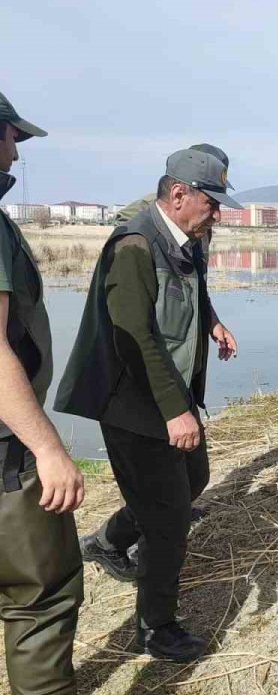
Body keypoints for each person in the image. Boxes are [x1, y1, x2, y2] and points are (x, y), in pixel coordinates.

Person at [0, 89, 141, 695]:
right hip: (3, 457)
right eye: (8, 137)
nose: (16, 152)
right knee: (41, 597)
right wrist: (49, 449)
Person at [55, 148, 240, 663]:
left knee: (194, 478)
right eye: (212, 201)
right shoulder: (134, 245)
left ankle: (108, 541)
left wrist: (212, 323)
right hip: (133, 403)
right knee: (169, 518)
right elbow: (133, 333)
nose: (217, 213)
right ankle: (156, 628)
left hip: (167, 394)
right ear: (178, 194)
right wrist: (173, 412)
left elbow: (192, 290)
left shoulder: (187, 239)